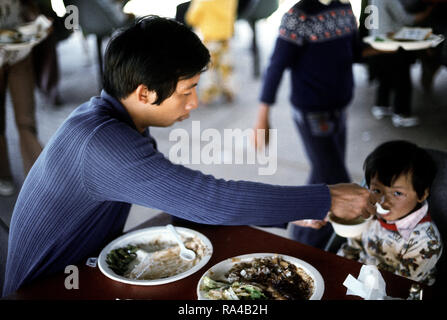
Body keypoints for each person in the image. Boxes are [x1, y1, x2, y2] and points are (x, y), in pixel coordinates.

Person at [2, 16, 371, 297]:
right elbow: (209, 198)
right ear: (145, 93)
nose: (194, 104)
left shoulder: (109, 115)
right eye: (187, 92)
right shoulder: (103, 144)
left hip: (82, 269)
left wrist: (301, 208)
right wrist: (324, 198)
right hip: (45, 290)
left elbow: (187, 192)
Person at [252, 0, 369, 249]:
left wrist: (396, 47)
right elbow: (276, 66)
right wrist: (263, 114)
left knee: (322, 174)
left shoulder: (344, 8)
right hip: (312, 111)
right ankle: (310, 244)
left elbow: (355, 52)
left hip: (340, 108)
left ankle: (305, 238)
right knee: (337, 180)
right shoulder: (298, 16)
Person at [337, 140, 443, 285]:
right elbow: (351, 250)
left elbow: (401, 286)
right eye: (376, 190)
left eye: (397, 193)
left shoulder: (426, 242)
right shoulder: (367, 214)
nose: (383, 201)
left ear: (422, 195)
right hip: (360, 280)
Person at [0, 0, 44, 196]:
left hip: (19, 45)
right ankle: (3, 174)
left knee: (26, 119)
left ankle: (40, 176)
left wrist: (36, 18)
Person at [368, 0, 433, 127]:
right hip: (393, 42)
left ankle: (382, 106)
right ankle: (401, 114)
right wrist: (428, 11)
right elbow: (406, 19)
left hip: (377, 41)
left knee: (384, 77)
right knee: (402, 79)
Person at [185, 0, 238, 105]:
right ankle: (229, 90)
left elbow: (192, 18)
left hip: (209, 37)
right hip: (225, 36)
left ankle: (208, 94)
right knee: (226, 67)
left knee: (210, 68)